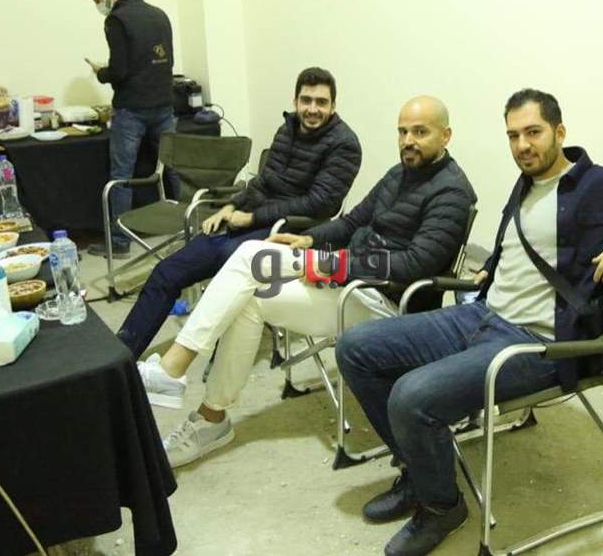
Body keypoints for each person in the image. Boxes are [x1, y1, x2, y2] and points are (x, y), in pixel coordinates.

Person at [334, 89, 603, 556]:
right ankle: (420, 472)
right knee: (355, 346)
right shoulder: (525, 185)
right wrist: (490, 268)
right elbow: (519, 249)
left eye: (533, 132)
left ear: (559, 132)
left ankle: (442, 507)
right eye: (514, 136)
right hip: (481, 314)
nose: (522, 145)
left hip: (539, 343)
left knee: (411, 396)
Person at [136, 95, 476, 469]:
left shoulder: (452, 192)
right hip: (352, 284)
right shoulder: (399, 174)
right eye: (403, 131)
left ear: (446, 135)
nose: (408, 141)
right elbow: (352, 222)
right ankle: (209, 417)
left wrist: (332, 264)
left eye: (420, 132)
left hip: (389, 306)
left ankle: (172, 371)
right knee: (250, 285)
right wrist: (310, 240)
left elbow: (414, 265)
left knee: (250, 263)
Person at [115, 66, 362, 358]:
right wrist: (231, 206)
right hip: (254, 219)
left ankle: (204, 356)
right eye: (306, 100)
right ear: (295, 101)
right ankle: (123, 357)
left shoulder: (344, 144)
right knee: (167, 271)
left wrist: (252, 217)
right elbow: (263, 182)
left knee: (226, 258)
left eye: (321, 102)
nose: (312, 109)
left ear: (333, 106)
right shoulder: (287, 129)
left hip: (292, 230)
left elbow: (319, 204)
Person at [84, 0, 176, 257]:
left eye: (97, 0)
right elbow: (167, 61)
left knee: (121, 176)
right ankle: (192, 228)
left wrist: (101, 72)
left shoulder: (116, 20)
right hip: (164, 103)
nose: (98, 6)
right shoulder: (159, 14)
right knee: (175, 167)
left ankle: (120, 242)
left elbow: (120, 71)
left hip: (132, 109)